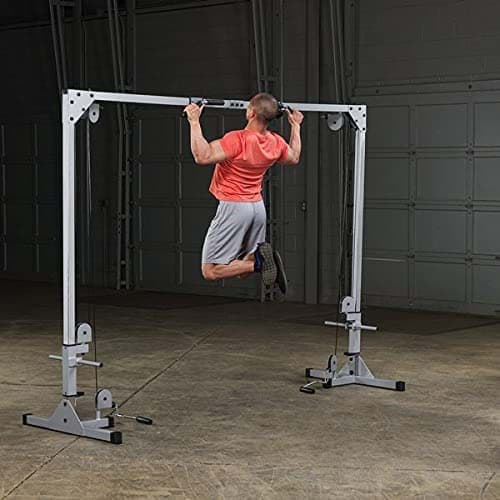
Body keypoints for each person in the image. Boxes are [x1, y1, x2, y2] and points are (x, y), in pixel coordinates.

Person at [183, 92, 303, 295]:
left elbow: (202, 156)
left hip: (235, 207)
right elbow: (294, 157)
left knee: (210, 271)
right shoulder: (275, 142)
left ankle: (261, 264)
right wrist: (296, 126)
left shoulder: (238, 139)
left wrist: (194, 121)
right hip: (257, 208)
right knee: (242, 269)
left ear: (251, 113)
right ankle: (259, 262)